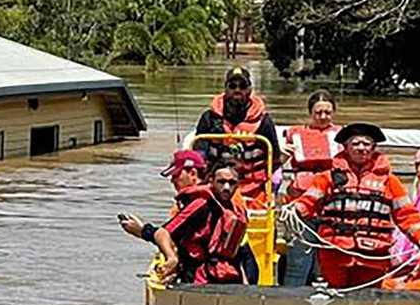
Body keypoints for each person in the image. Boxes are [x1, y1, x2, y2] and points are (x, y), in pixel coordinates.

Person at [287, 123, 420, 289]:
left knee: (369, 301)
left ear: (374, 148)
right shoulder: (328, 178)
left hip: (373, 259)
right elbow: (309, 201)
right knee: (335, 300)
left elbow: (406, 214)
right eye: (355, 143)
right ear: (346, 147)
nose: (361, 148)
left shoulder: (389, 181)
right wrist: (295, 209)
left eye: (366, 144)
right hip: (335, 256)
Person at [122, 165, 248, 285]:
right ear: (211, 181)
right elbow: (165, 232)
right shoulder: (201, 205)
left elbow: (235, 253)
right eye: (221, 182)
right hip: (200, 277)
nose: (226, 187)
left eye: (232, 183)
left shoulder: (236, 211)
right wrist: (172, 258)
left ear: (238, 184)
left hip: (225, 277)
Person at [195, 66, 282, 208]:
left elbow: (275, 158)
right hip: (215, 187)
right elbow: (199, 156)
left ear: (250, 90)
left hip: (252, 188)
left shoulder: (264, 121)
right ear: (225, 89)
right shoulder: (209, 118)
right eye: (232, 86)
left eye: (242, 86)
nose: (237, 90)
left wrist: (274, 184)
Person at [279, 91, 341, 286]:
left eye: (327, 112)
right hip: (300, 207)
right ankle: (290, 298)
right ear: (310, 113)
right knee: (298, 260)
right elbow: (274, 168)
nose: (323, 117)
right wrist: (281, 155)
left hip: (331, 206)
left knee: (326, 261)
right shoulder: (295, 135)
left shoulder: (343, 136)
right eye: (318, 112)